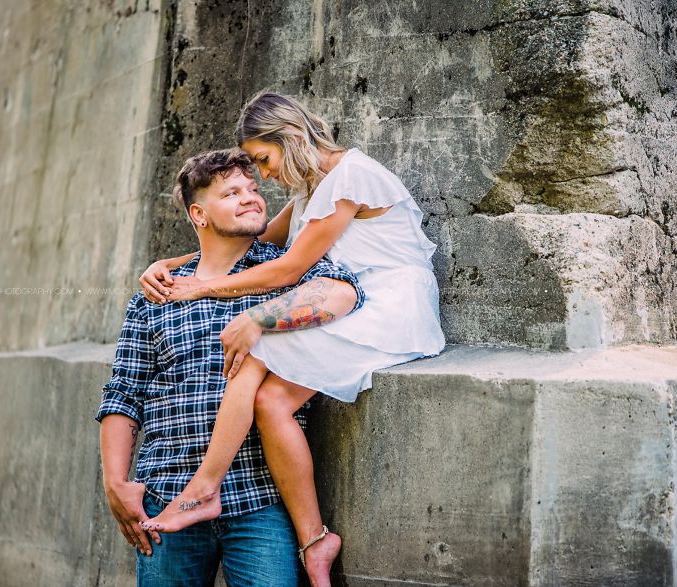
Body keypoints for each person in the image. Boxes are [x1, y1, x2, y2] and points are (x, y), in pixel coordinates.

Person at [138, 92, 446, 586]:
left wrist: (202, 288)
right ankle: (316, 540)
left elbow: (289, 268)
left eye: (264, 158)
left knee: (255, 344)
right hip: (358, 300)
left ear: (290, 137)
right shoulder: (312, 192)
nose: (265, 174)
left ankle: (205, 486)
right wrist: (173, 265)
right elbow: (255, 244)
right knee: (272, 402)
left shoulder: (350, 176)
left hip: (391, 303)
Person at [96, 148, 365, 586]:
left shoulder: (282, 273)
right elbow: (124, 392)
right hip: (166, 491)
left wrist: (260, 317)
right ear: (199, 214)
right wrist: (114, 481)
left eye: (254, 188)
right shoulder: (158, 296)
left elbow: (344, 292)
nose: (251, 198)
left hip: (258, 497)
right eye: (232, 192)